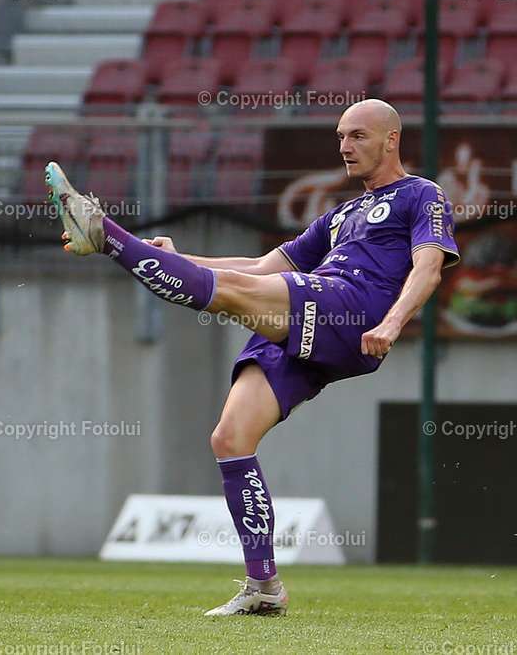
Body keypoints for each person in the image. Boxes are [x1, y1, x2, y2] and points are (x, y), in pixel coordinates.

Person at [45, 98, 458, 616]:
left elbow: (429, 268)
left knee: (234, 292)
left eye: (357, 136)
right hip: (308, 314)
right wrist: (176, 258)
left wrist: (393, 322)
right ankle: (264, 587)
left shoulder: (422, 194)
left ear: (391, 139)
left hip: (353, 309)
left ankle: (107, 237)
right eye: (340, 136)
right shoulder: (339, 214)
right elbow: (261, 265)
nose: (345, 146)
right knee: (230, 438)